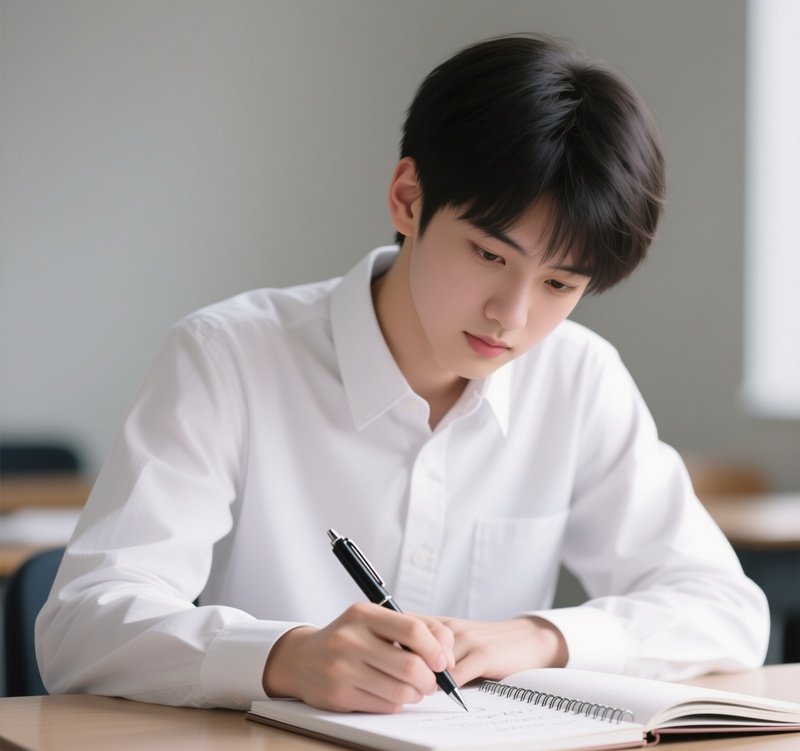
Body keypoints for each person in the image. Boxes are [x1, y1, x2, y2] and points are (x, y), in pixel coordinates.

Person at [36, 34, 768, 713]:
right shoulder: (227, 357)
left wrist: (540, 638)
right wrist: (285, 658)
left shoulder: (578, 378)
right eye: (489, 255)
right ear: (409, 199)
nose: (511, 316)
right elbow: (81, 623)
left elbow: (724, 611)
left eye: (559, 286)